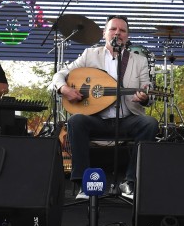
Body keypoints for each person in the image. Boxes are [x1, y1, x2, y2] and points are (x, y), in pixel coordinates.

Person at [50, 15, 159, 200]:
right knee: (76, 121)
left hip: (126, 120)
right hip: (96, 119)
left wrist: (145, 98)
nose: (117, 33)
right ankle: (83, 183)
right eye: (113, 29)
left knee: (150, 123)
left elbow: (148, 93)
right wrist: (64, 89)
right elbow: (60, 74)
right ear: (104, 33)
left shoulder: (139, 61)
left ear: (127, 35)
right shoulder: (90, 55)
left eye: (122, 30)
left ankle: (130, 182)